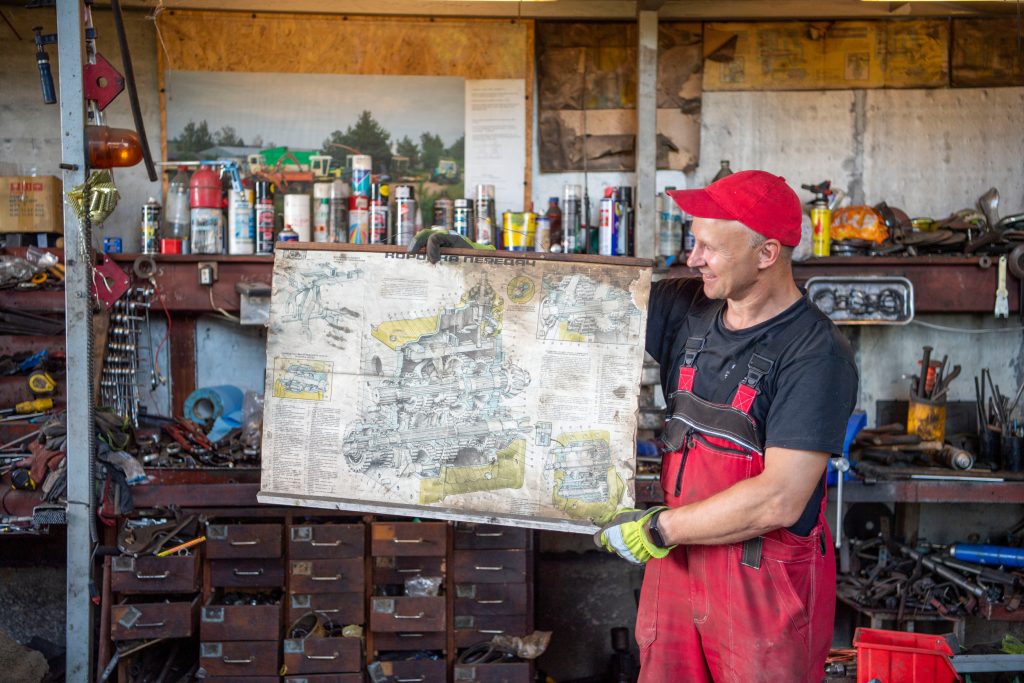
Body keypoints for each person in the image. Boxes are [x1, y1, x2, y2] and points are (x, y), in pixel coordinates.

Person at [595, 170, 858, 682]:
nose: (693, 260)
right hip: (675, 572)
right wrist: (479, 265)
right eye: (694, 242)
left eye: (710, 248)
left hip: (761, 585)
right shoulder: (686, 307)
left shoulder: (816, 355)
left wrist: (658, 528)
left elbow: (779, 498)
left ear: (766, 254)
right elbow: (582, 301)